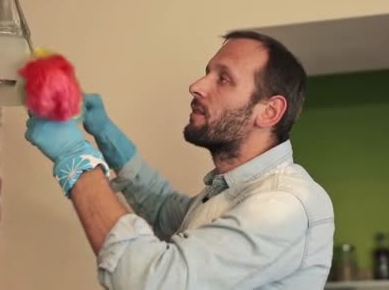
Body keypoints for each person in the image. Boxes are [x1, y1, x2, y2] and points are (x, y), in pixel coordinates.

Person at [25, 30, 335, 289]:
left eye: (223, 78)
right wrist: (106, 134)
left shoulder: (283, 205)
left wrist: (74, 156)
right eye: (207, 73)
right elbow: (163, 211)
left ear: (268, 112)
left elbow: (154, 280)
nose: (197, 86)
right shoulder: (228, 192)